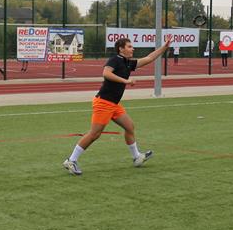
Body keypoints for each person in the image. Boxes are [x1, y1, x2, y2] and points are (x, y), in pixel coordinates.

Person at [62, 37, 172, 176]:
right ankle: (71, 160)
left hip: (114, 104)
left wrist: (164, 47)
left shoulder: (128, 63)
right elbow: (106, 73)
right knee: (94, 134)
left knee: (129, 127)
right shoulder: (115, 59)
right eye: (129, 46)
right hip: (103, 103)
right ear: (121, 49)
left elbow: (149, 58)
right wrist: (126, 81)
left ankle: (137, 157)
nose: (132, 49)